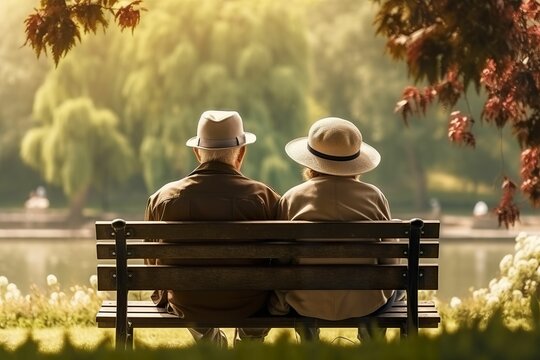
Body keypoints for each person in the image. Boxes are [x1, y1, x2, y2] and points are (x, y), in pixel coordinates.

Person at [144, 110, 280, 347]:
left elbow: (151, 264)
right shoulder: (265, 198)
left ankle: (207, 336)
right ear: (242, 153)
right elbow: (281, 259)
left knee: (184, 292)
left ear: (198, 153)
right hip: (250, 302)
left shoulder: (162, 198)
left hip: (189, 302)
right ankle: (250, 339)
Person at [267, 117, 399, 342]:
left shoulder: (292, 198)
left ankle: (309, 341)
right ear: (355, 163)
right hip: (365, 301)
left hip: (305, 300)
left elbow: (282, 261)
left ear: (311, 162)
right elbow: (390, 262)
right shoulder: (374, 197)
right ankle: (372, 342)